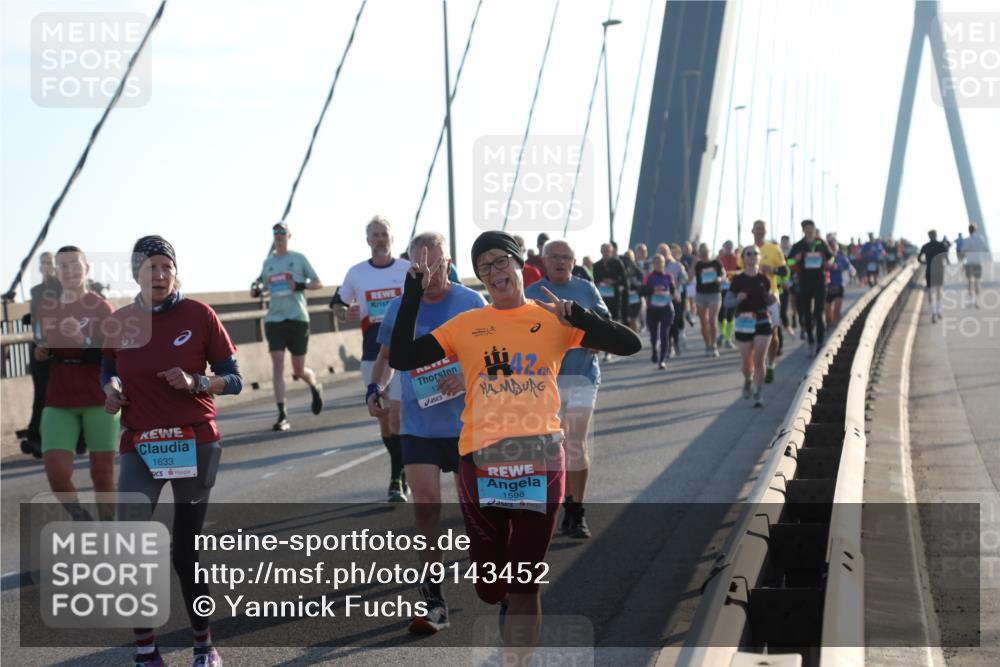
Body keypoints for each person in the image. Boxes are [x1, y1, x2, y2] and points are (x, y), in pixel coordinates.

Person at [388, 231, 640, 658]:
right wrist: (413, 291)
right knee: (490, 587)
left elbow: (630, 344)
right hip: (480, 461)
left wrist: (581, 317)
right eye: (484, 267)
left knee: (525, 582)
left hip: (541, 458)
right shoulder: (466, 324)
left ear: (521, 264)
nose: (494, 271)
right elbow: (402, 358)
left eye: (500, 261)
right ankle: (502, 599)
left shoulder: (553, 319)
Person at [103, 235, 242, 667]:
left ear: (176, 273)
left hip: (193, 440)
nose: (160, 275)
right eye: (151, 267)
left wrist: (197, 381)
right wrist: (110, 389)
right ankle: (146, 652)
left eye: (167, 267)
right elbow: (108, 368)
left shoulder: (199, 315)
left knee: (185, 552)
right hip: (140, 442)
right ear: (136, 274)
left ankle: (204, 645)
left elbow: (233, 378)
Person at [372, 232, 486, 633]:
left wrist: (465, 377)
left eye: (435, 265)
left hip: (467, 425)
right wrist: (375, 388)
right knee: (425, 504)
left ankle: (497, 580)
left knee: (478, 510)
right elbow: (386, 355)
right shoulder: (401, 305)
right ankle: (434, 596)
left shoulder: (472, 303)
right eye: (419, 266)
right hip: (419, 426)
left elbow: (494, 359)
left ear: (448, 264)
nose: (428, 273)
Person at [525, 239, 610, 539]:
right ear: (544, 261)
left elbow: (606, 326)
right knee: (554, 445)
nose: (560, 261)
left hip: (583, 375)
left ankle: (577, 511)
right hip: (546, 381)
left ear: (573, 262)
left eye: (566, 257)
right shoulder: (531, 293)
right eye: (554, 257)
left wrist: (594, 339)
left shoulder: (586, 289)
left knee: (575, 440)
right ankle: (561, 502)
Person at [34, 246, 118, 520]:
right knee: (56, 473)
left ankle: (109, 531)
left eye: (74, 264)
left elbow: (114, 355)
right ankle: (81, 518)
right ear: (56, 272)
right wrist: (42, 352)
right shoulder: (48, 308)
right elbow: (44, 345)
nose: (69, 270)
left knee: (102, 473)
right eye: (63, 266)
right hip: (59, 397)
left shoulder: (102, 307)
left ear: (87, 268)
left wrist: (84, 341)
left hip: (98, 396)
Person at [333, 216, 411, 501]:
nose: (380, 239)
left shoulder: (407, 269)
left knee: (398, 418)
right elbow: (338, 306)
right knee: (384, 419)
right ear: (368, 240)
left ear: (392, 238)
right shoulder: (356, 273)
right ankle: (400, 470)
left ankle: (396, 479)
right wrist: (345, 313)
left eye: (384, 234)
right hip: (372, 353)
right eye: (375, 235)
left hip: (404, 353)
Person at [257, 221, 324, 431]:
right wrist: (257, 290)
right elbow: (263, 286)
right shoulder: (268, 262)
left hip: (297, 318)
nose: (279, 236)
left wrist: (300, 285)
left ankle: (314, 385)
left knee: (298, 369)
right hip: (274, 320)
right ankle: (282, 414)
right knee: (277, 363)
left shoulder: (298, 258)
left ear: (289, 236)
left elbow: (318, 282)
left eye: (282, 232)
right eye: (275, 232)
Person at [22, 251, 61, 458]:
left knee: (59, 393)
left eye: (50, 263)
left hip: (60, 347)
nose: (47, 266)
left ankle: (76, 437)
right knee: (41, 394)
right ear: (39, 267)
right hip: (39, 346)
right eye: (43, 263)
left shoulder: (63, 288)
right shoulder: (35, 290)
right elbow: (38, 317)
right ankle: (34, 438)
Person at [738, 220, 787, 379]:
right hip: (750, 299)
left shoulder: (774, 249)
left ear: (765, 231)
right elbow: (739, 273)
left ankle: (771, 364)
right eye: (757, 229)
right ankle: (756, 366)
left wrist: (773, 270)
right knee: (750, 334)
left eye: (762, 229)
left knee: (773, 333)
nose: (759, 231)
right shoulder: (746, 251)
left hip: (770, 296)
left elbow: (785, 271)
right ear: (752, 231)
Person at [729, 245, 774, 407]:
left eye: (755, 253)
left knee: (759, 360)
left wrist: (773, 298)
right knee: (747, 362)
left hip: (762, 321)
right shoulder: (737, 280)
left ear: (759, 257)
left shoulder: (764, 280)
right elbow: (727, 303)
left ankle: (758, 392)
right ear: (743, 258)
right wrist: (737, 299)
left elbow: (768, 300)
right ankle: (748, 379)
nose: (752, 256)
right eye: (748, 253)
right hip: (744, 322)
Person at [787, 220, 834, 355]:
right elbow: (788, 262)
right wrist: (796, 259)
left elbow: (831, 258)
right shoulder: (798, 246)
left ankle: (820, 342)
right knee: (806, 314)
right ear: (803, 230)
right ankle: (811, 341)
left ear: (814, 229)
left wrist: (828, 262)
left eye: (811, 228)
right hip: (804, 282)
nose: (809, 231)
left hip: (819, 281)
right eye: (807, 228)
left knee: (819, 313)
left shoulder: (821, 243)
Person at [640, 253, 675, 369]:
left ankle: (662, 360)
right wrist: (652, 290)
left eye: (660, 262)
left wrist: (672, 294)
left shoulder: (669, 276)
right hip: (652, 309)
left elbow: (673, 290)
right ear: (653, 265)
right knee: (653, 335)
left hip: (666, 308)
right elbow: (642, 292)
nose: (658, 265)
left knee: (664, 334)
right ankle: (654, 349)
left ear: (664, 264)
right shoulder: (648, 277)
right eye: (656, 263)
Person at [693, 243, 723, 357]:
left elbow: (723, 274)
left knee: (712, 319)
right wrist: (693, 263)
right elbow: (690, 277)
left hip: (714, 293)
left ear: (709, 252)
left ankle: (714, 344)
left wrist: (719, 278)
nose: (704, 255)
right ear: (699, 253)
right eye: (702, 252)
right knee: (703, 322)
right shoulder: (698, 265)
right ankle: (707, 345)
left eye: (706, 252)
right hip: (701, 294)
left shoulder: (716, 263)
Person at [918, 229, 950, 323]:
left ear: (929, 236)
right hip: (939, 270)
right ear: (936, 235)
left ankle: (933, 312)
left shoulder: (925, 246)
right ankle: (939, 310)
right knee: (939, 290)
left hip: (929, 270)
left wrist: (925, 262)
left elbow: (919, 259)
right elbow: (946, 258)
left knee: (931, 291)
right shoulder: (941, 245)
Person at [663, 247, 689, 357]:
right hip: (661, 299)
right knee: (665, 323)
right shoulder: (656, 265)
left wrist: (677, 282)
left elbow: (685, 278)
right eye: (660, 252)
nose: (663, 254)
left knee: (674, 321)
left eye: (664, 252)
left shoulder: (677, 265)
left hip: (675, 297)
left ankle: (676, 343)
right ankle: (668, 346)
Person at [593, 242, 628, 325]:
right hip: (601, 297)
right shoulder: (596, 265)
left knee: (615, 320)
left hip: (615, 298)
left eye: (607, 251)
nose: (606, 253)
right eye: (604, 251)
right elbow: (594, 280)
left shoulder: (618, 263)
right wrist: (602, 281)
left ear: (611, 251)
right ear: (601, 251)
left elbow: (624, 281)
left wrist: (613, 282)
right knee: (602, 319)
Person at [825, 240, 854, 327]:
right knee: (827, 311)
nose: (833, 249)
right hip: (827, 287)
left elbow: (850, 267)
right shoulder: (824, 258)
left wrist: (852, 272)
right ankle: (829, 325)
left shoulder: (841, 258)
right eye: (831, 247)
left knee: (837, 309)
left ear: (837, 247)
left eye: (834, 247)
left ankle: (835, 327)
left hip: (839, 285)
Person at [961, 223, 990, 308]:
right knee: (977, 281)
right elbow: (986, 249)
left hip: (969, 262)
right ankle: (977, 300)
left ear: (968, 230)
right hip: (978, 261)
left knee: (970, 282)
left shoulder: (966, 240)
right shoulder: (980, 238)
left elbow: (963, 251)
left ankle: (972, 300)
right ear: (975, 229)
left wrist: (962, 263)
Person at [716, 241, 738, 349]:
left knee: (730, 314)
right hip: (721, 289)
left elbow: (742, 271)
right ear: (723, 248)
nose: (729, 249)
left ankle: (728, 339)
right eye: (727, 247)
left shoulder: (737, 259)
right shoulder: (719, 259)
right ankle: (722, 333)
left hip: (734, 289)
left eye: (730, 247)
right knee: (721, 314)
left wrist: (732, 274)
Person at [623, 249, 644, 332]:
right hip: (625, 298)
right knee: (626, 320)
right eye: (625, 258)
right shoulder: (622, 268)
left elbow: (642, 282)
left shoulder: (637, 269)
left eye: (629, 258)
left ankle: (635, 335)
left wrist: (635, 285)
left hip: (635, 298)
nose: (627, 260)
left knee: (633, 319)